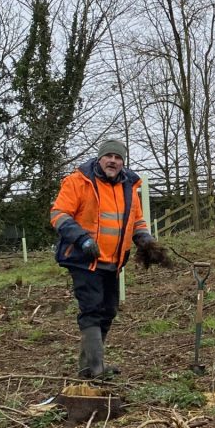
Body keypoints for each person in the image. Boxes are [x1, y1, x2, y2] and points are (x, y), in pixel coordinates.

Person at [51, 138, 168, 378]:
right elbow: (59, 214)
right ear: (100, 158)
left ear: (123, 162)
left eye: (118, 157)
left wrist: (145, 239)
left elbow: (136, 220)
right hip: (85, 259)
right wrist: (81, 238)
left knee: (108, 309)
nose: (113, 161)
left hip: (113, 261)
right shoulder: (79, 181)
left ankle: (89, 368)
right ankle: (96, 368)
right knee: (92, 309)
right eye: (109, 156)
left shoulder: (128, 187)